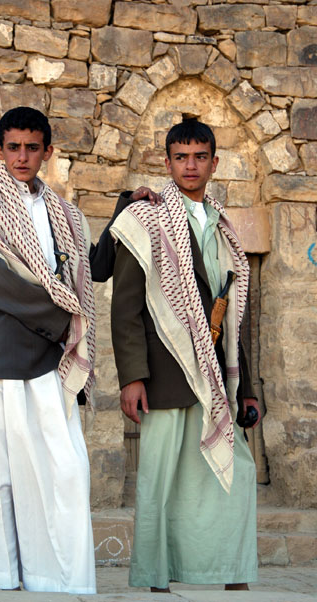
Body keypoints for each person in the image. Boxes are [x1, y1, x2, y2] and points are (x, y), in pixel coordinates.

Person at [0, 106, 158, 594]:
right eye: (14, 147)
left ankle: (62, 576)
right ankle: (11, 578)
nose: (23, 156)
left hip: (52, 358)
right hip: (1, 356)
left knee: (66, 470)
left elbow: (94, 268)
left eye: (32, 147)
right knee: (3, 477)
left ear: (47, 151)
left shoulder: (64, 212)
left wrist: (126, 209)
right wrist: (65, 320)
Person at [110, 118, 261, 592]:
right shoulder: (145, 220)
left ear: (215, 163)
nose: (190, 165)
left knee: (233, 474)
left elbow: (230, 315)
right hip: (165, 374)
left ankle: (227, 571)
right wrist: (132, 376)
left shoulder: (222, 227)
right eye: (181, 156)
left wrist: (248, 389)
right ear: (168, 161)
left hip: (216, 376)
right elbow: (126, 306)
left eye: (199, 157)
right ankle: (156, 576)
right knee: (159, 480)